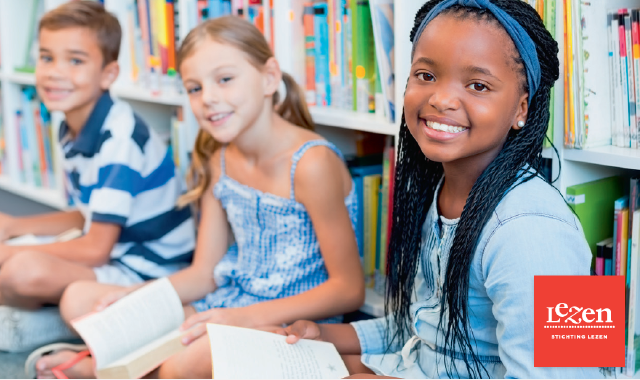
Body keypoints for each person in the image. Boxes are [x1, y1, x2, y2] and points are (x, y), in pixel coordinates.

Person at [276, 0, 604, 378]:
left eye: (478, 85)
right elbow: (424, 327)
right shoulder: (442, 191)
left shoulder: (537, 230)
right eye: (426, 76)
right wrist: (324, 334)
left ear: (522, 109)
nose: (441, 99)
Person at [31, 16, 364, 379]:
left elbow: (348, 290)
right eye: (194, 88)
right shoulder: (218, 158)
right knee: (83, 299)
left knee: (183, 364)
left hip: (291, 321)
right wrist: (140, 296)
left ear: (269, 77)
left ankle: (97, 367)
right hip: (227, 301)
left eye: (224, 79)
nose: (208, 99)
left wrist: (239, 318)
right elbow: (204, 273)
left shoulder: (312, 163)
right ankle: (105, 364)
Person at [0, 1, 196, 353]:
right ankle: (50, 317)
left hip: (146, 269)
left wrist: (12, 249)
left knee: (20, 269)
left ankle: (54, 325)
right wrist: (12, 226)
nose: (55, 72)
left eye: (75, 61)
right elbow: (88, 213)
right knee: (13, 257)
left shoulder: (120, 138)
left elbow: (95, 248)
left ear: (108, 74)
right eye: (46, 58)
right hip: (113, 252)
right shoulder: (70, 125)